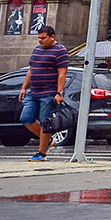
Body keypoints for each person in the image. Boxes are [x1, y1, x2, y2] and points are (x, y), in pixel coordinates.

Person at [19, 26, 69, 162]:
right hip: (34, 91)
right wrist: (24, 87)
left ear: (52, 37)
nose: (40, 41)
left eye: (43, 38)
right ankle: (47, 139)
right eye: (39, 38)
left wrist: (59, 92)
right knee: (26, 118)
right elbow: (31, 69)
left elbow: (62, 73)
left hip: (48, 92)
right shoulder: (37, 50)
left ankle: (41, 153)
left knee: (44, 122)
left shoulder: (60, 51)